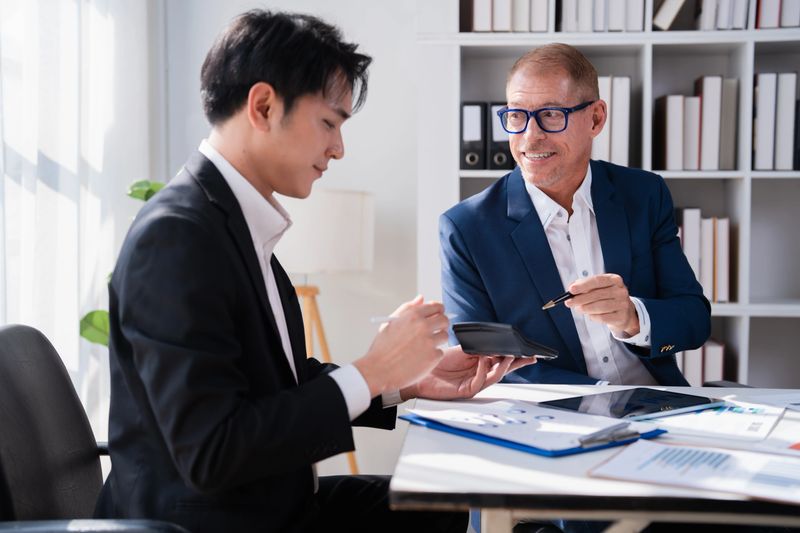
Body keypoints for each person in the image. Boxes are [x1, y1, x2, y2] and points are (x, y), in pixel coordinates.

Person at [94, 10, 533, 533]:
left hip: (270, 503)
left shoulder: (234, 224)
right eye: (329, 122)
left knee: (440, 505)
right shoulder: (177, 238)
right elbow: (211, 452)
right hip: (208, 522)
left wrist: (405, 382)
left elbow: (274, 384)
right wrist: (372, 370)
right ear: (262, 106)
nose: (338, 148)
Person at [440, 43, 711, 387]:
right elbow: (480, 359)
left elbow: (694, 319)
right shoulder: (465, 228)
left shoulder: (644, 195)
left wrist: (633, 317)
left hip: (656, 405)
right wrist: (602, 399)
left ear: (596, 118)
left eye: (551, 114)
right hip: (553, 420)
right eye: (516, 115)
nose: (530, 137)